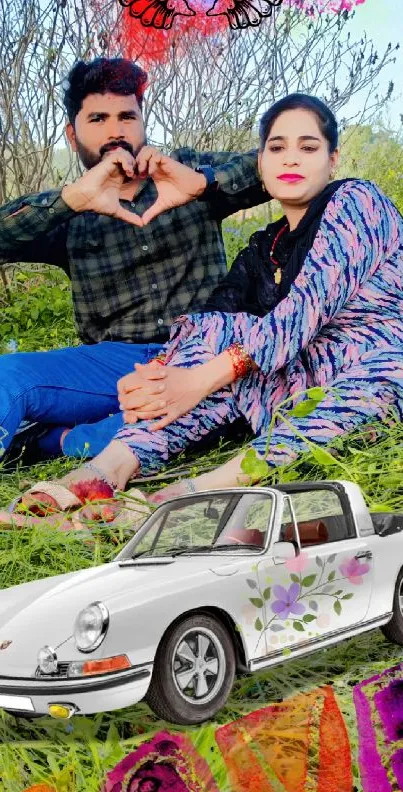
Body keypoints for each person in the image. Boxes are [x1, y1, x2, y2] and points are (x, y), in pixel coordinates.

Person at [2, 93, 403, 530]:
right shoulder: (261, 248)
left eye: (308, 148)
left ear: (332, 159)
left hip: (374, 370)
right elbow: (205, 327)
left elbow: (298, 319)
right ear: (263, 163)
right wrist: (158, 375)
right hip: (295, 377)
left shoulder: (357, 202)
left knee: (385, 370)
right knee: (216, 327)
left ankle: (190, 494)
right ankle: (105, 471)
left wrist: (195, 380)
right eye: (277, 148)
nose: (291, 159)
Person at [0, 56, 267, 463]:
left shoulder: (186, 172)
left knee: (225, 396)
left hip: (200, 358)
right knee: (9, 378)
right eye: (98, 119)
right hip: (113, 367)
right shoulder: (68, 214)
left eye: (127, 116)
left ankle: (62, 440)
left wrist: (205, 182)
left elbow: (278, 163)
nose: (115, 130)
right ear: (73, 136)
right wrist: (72, 199)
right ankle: (86, 432)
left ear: (143, 122)